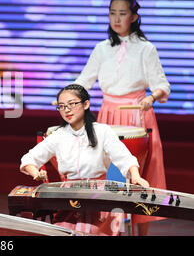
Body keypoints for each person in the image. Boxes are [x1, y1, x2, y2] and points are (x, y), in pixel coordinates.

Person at [74, 0, 170, 235]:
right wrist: (70, 97)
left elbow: (162, 85)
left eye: (122, 13)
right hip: (108, 115)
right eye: (112, 13)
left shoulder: (146, 49)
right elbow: (84, 80)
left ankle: (142, 232)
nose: (116, 19)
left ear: (134, 17)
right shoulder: (102, 48)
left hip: (136, 115)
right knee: (107, 176)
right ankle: (108, 230)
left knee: (142, 177)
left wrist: (151, 97)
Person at [20, 84, 149, 235]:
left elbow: (124, 158)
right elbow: (29, 158)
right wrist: (35, 172)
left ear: (86, 104)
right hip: (68, 198)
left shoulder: (102, 131)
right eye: (61, 106)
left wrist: (135, 175)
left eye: (72, 104)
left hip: (100, 195)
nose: (66, 110)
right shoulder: (58, 135)